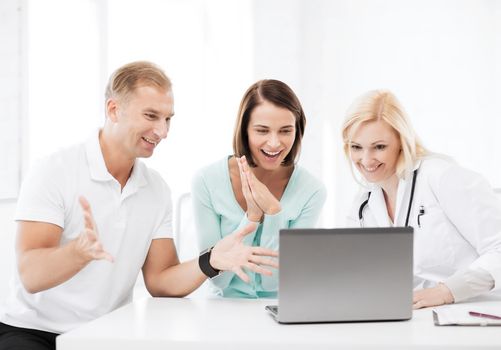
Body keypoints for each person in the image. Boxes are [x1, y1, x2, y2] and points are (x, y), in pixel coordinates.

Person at [0, 61, 278, 350]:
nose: (162, 131)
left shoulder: (155, 189)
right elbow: (31, 276)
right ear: (113, 110)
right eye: (151, 116)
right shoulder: (54, 170)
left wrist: (211, 261)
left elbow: (160, 280)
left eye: (168, 119)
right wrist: (77, 252)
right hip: (32, 331)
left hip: (105, 333)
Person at [342, 89, 501, 309]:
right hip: (416, 317)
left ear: (401, 141)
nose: (366, 160)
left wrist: (448, 291)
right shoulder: (363, 205)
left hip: (477, 311)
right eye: (356, 147)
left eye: (379, 147)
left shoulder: (441, 177)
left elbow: (499, 249)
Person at [192, 79, 326, 298]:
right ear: (245, 130)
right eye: (262, 130)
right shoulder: (206, 181)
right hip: (222, 310)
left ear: (298, 130)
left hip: (281, 309)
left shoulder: (312, 190)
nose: (274, 143)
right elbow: (218, 279)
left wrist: (274, 212)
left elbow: (274, 283)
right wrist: (253, 217)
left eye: (285, 131)